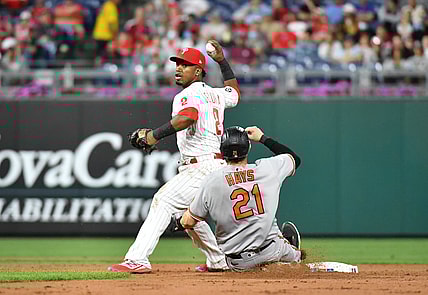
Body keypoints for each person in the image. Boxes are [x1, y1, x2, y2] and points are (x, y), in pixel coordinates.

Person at [108, 40, 241, 273]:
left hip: (201, 166)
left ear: (198, 71)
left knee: (164, 201)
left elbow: (188, 116)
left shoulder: (187, 94)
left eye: (185, 65)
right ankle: (218, 261)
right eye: (178, 64)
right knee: (187, 215)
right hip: (214, 163)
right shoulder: (215, 94)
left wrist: (153, 136)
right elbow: (235, 93)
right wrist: (221, 60)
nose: (178, 68)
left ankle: (137, 259)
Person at [178, 125, 305, 272]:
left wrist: (179, 222)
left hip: (238, 263)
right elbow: (295, 159)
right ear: (248, 148)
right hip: (271, 250)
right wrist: (263, 138)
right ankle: (292, 252)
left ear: (221, 151)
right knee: (299, 259)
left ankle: (274, 258)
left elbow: (188, 221)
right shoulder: (267, 169)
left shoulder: (211, 181)